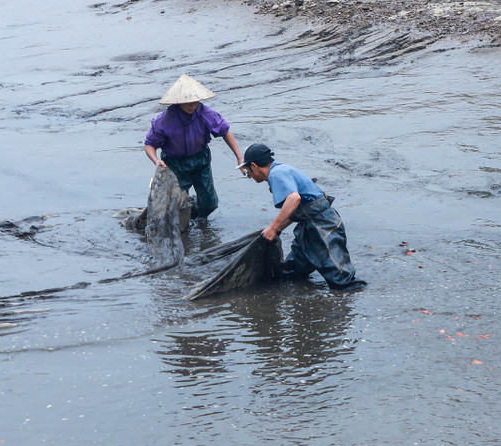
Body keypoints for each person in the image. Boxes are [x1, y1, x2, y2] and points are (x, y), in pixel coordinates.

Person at [239, 143, 366, 291]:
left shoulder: (276, 174)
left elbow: (294, 199)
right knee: (292, 270)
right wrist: (277, 229)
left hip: (322, 225)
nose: (249, 175)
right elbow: (297, 209)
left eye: (247, 171)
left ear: (254, 166)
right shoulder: (281, 170)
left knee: (342, 280)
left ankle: (357, 298)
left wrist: (273, 227)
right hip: (308, 226)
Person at [144, 74, 244, 226]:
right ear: (179, 102)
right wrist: (156, 160)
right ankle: (183, 222)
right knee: (176, 206)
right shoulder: (164, 120)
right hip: (174, 164)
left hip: (200, 160)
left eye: (195, 102)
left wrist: (239, 157)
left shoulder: (206, 114)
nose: (192, 106)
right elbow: (149, 144)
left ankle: (198, 218)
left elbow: (225, 132)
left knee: (210, 203)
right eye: (188, 103)